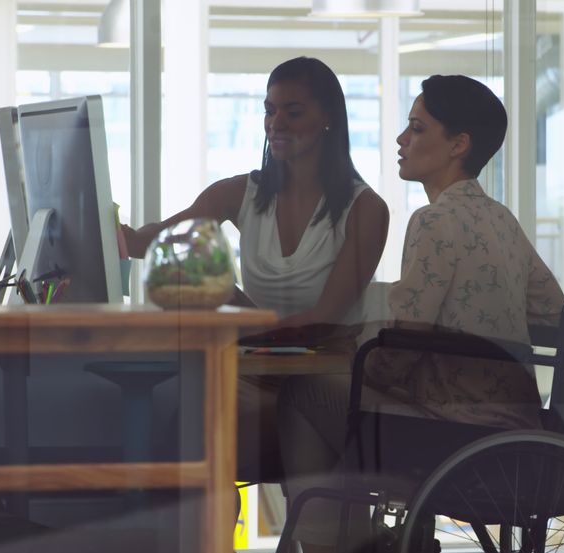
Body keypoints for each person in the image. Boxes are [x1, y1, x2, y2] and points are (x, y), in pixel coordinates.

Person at [276, 75, 564, 553]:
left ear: (458, 145)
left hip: (452, 427)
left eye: (416, 128)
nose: (400, 140)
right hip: (515, 423)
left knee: (301, 390)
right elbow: (555, 314)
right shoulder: (500, 219)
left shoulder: (431, 221)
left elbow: (399, 353)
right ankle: (358, 541)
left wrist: (354, 354)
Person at [123, 56, 390, 482]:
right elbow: (160, 240)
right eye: (269, 110)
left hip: (323, 384)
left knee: (200, 426)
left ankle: (212, 541)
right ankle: (209, 547)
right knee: (178, 412)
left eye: (293, 111)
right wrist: (115, 235)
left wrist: (235, 310)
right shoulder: (239, 193)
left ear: (328, 119)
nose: (276, 122)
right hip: (260, 373)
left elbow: (324, 318)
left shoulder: (366, 209)